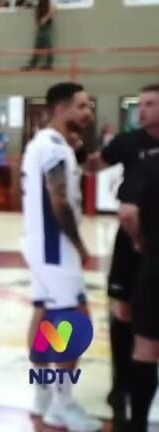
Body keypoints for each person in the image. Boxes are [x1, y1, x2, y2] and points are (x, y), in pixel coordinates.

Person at [20, 82, 100, 432]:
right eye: (82, 106)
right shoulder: (53, 148)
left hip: (39, 244)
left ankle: (43, 394)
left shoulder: (43, 143)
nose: (88, 113)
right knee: (76, 319)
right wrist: (80, 246)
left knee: (43, 312)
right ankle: (62, 405)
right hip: (56, 248)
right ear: (61, 108)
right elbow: (60, 201)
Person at [90, 84, 159, 429]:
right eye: (140, 104)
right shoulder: (128, 142)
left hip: (150, 242)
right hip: (133, 241)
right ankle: (121, 385)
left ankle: (138, 392)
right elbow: (92, 166)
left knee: (148, 327)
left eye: (150, 104)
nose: (142, 110)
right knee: (124, 311)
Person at [116, 147, 159, 432]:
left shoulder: (148, 163)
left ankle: (138, 423)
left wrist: (140, 239)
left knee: (146, 348)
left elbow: (128, 212)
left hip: (155, 261)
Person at [23, 0, 57, 71]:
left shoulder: (48, 0)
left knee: (47, 45)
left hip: (46, 26)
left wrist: (45, 18)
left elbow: (53, 9)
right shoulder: (39, 1)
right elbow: (27, 5)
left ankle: (49, 64)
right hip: (41, 26)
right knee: (38, 45)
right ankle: (33, 64)